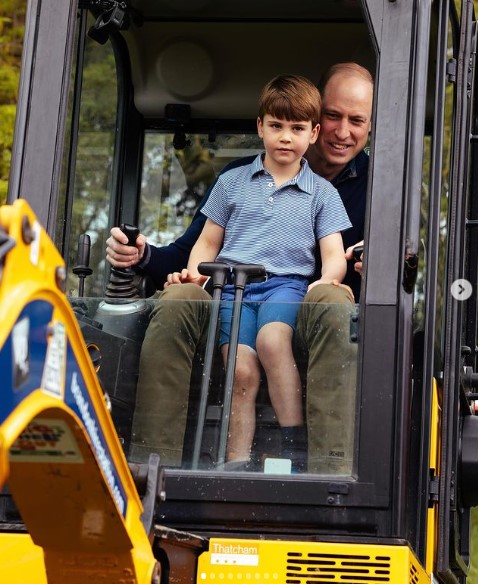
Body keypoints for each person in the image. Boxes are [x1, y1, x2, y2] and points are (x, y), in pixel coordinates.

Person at [106, 62, 374, 473]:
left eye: (356, 120)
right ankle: (158, 469)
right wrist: (145, 256)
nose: (342, 131)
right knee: (206, 328)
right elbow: (198, 247)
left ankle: (323, 469)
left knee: (322, 302)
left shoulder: (374, 188)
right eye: (334, 115)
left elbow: (347, 260)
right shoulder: (235, 180)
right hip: (234, 294)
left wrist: (354, 270)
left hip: (307, 307)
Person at [164, 75, 351, 471]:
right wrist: (195, 273)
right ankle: (235, 462)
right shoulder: (232, 182)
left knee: (271, 341)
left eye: (297, 128)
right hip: (232, 288)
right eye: (277, 126)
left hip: (286, 285)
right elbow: (208, 241)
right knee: (240, 367)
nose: (286, 137)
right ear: (260, 127)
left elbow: (334, 253)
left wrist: (325, 280)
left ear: (314, 133)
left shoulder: (321, 192)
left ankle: (293, 446)